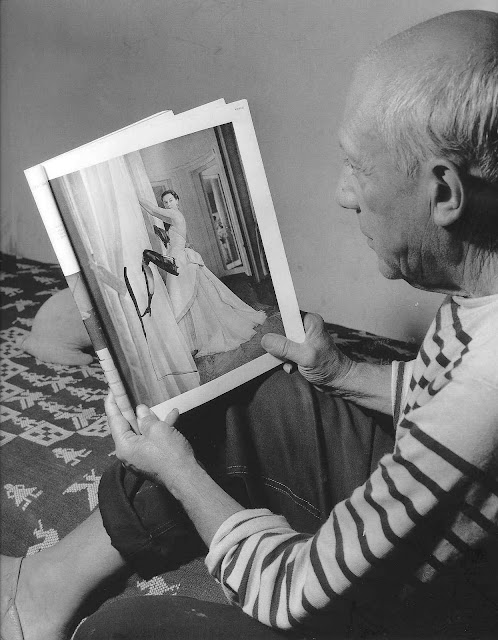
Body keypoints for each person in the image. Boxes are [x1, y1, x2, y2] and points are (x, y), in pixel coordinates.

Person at [2, 8, 498, 640]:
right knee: (257, 393)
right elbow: (435, 398)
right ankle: (42, 587)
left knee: (119, 629)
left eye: (360, 168)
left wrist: (178, 469)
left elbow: (292, 591)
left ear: (445, 193)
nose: (344, 193)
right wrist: (342, 371)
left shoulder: (486, 394)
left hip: (448, 610)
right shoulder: (480, 304)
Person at [139, 190, 266, 357]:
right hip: (178, 259)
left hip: (181, 261)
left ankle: (201, 338)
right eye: (165, 202)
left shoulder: (176, 215)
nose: (168, 204)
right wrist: (163, 236)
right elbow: (171, 237)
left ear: (177, 200)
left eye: (170, 200)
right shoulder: (173, 218)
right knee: (191, 299)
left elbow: (154, 211)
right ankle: (197, 338)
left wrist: (136, 197)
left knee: (186, 297)